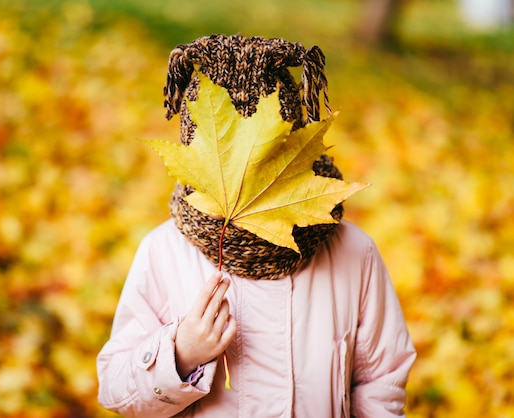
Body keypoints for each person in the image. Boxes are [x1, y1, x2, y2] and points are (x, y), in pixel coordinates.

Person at [97, 34, 416, 417]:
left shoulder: (353, 254)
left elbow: (383, 380)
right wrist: (178, 353)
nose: (248, 175)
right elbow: (116, 388)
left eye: (266, 158)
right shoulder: (165, 252)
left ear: (293, 153)